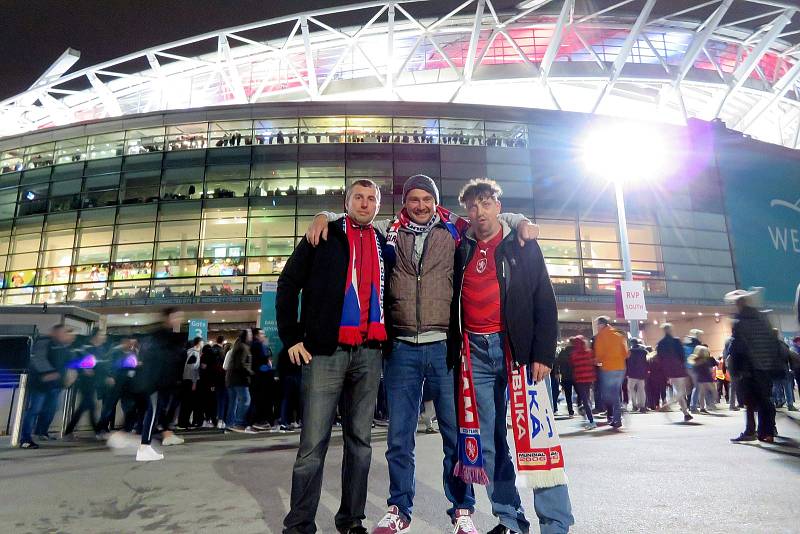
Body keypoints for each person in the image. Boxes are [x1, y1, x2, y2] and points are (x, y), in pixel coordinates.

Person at [306, 174, 538, 534]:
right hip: (400, 349)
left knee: (455, 435)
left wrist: (521, 221)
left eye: (426, 199)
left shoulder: (454, 227)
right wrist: (323, 214)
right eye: (413, 199)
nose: (420, 205)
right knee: (400, 437)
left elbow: (491, 219)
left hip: (445, 347)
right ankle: (400, 507)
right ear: (404, 202)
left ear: (434, 200)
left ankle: (462, 509)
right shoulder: (388, 230)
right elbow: (355, 217)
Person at [449, 178, 573, 534]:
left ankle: (555, 523)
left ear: (498, 208)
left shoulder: (521, 244)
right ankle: (509, 519)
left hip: (518, 352)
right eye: (472, 206)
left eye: (486, 204)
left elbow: (544, 300)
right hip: (475, 356)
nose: (479, 212)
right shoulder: (462, 247)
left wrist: (543, 354)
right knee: (487, 442)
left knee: (538, 441)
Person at [277, 179, 390, 534]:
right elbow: (288, 283)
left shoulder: (384, 242)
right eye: (358, 197)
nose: (365, 203)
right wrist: (292, 337)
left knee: (361, 443)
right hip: (325, 352)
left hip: (369, 352)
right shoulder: (324, 233)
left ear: (377, 206)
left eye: (371, 198)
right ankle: (299, 524)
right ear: (346, 202)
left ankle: (351, 519)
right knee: (313, 444)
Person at [125, 308, 186, 462]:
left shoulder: (160, 335)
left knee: (153, 413)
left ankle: (145, 446)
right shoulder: (161, 336)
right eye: (177, 316)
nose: (180, 319)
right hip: (153, 382)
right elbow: (161, 360)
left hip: (155, 382)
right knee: (152, 414)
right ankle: (144, 448)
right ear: (169, 317)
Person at [726, 289, 785, 443]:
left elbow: (737, 346)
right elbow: (772, 341)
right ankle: (768, 431)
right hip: (766, 365)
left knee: (751, 401)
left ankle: (753, 431)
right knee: (764, 399)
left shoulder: (740, 321)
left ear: (739, 303)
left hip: (750, 367)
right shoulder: (762, 318)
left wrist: (736, 368)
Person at [20, 325, 75, 449]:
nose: (66, 335)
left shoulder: (65, 346)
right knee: (34, 409)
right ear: (55, 332)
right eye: (63, 332)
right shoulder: (44, 342)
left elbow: (69, 363)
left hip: (55, 385)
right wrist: (49, 373)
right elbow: (39, 359)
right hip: (39, 383)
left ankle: (41, 431)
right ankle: (25, 438)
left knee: (51, 408)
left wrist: (70, 374)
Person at [63, 328, 107, 439]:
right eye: (102, 335)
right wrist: (84, 368)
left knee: (85, 406)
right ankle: (96, 431)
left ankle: (69, 431)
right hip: (84, 381)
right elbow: (75, 362)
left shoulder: (100, 349)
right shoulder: (85, 348)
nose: (104, 337)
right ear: (95, 336)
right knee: (90, 406)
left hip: (93, 381)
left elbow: (101, 364)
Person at [592, 316, 629, 428]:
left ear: (601, 324)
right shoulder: (619, 335)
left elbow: (599, 354)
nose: (597, 327)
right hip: (621, 368)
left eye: (597, 325)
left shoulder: (601, 336)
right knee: (616, 393)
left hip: (608, 368)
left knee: (607, 395)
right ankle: (617, 419)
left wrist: (596, 361)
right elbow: (626, 353)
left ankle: (619, 411)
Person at [657, 323, 693, 422]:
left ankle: (686, 413)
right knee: (682, 392)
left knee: (678, 391)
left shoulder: (661, 343)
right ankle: (669, 403)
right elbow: (682, 355)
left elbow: (660, 358)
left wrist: (664, 371)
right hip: (678, 367)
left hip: (669, 370)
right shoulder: (676, 341)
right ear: (670, 329)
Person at [226, 329, 255, 433]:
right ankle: (238, 423)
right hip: (240, 380)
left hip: (232, 379)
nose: (251, 336)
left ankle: (230, 424)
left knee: (233, 403)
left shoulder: (237, 347)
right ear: (246, 336)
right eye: (250, 334)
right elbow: (241, 364)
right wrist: (251, 372)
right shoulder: (243, 347)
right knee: (245, 400)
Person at [568, 336, 597, 430]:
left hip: (580, 380)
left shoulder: (574, 355)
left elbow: (572, 366)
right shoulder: (589, 352)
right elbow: (594, 363)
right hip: (589, 379)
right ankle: (589, 415)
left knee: (585, 400)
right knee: (587, 399)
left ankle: (591, 421)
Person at [249, 328, 275, 430]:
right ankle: (260, 421)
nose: (263, 336)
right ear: (256, 335)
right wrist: (268, 367)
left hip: (255, 378)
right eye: (262, 334)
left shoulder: (252, 346)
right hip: (262, 379)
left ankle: (255, 421)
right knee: (262, 401)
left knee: (256, 400)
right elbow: (265, 364)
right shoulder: (259, 346)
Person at [178, 337, 203, 429]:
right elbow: (192, 368)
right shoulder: (194, 354)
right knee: (188, 403)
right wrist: (194, 382)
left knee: (185, 403)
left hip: (185, 379)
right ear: (198, 344)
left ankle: (183, 421)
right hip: (190, 380)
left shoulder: (188, 352)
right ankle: (184, 422)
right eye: (202, 343)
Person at [689, 346, 718, 413]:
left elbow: (693, 369)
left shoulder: (696, 359)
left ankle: (702, 407)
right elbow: (708, 369)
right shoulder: (704, 359)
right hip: (704, 377)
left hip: (700, 377)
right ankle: (709, 404)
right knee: (710, 391)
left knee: (702, 393)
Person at [626, 338, 648, 413]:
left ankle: (634, 405)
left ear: (631, 344)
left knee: (631, 389)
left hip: (632, 374)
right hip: (642, 374)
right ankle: (642, 406)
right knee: (641, 390)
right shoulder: (644, 352)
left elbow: (626, 363)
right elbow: (647, 362)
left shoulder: (629, 352)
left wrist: (626, 373)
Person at [554, 343, 575, 417]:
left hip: (565, 377)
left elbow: (557, 363)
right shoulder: (576, 352)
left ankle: (570, 411)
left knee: (568, 395)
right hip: (576, 376)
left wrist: (557, 372)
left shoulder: (563, 353)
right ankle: (581, 406)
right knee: (580, 393)